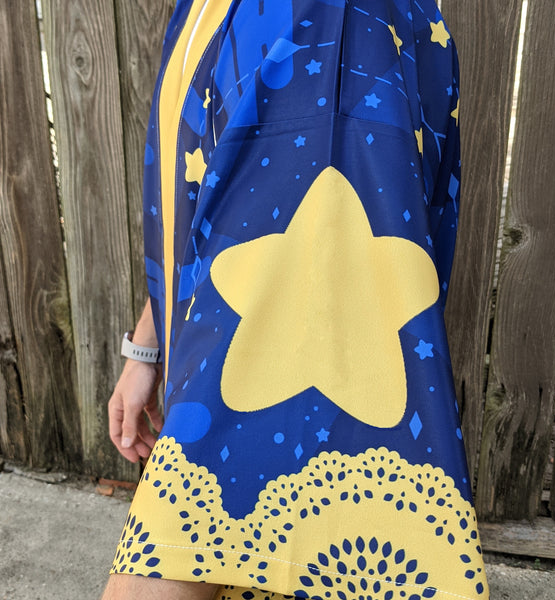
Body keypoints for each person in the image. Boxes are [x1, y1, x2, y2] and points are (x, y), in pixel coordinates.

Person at [102, 1, 489, 599]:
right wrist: (150, 341)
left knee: (208, 526)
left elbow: (280, 250)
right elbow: (213, 216)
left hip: (329, 27)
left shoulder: (330, 23)